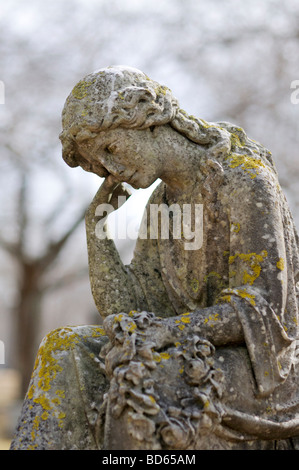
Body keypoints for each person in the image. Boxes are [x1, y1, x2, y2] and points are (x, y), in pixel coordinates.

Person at [11, 66, 299, 450]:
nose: (113, 171)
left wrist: (172, 331)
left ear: (149, 118)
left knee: (140, 384)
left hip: (263, 371)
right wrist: (97, 231)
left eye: (111, 149)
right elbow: (130, 309)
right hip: (193, 349)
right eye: (99, 165)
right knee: (64, 349)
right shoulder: (162, 203)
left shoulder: (244, 179)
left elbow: (263, 310)